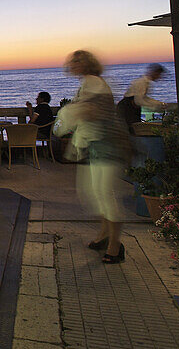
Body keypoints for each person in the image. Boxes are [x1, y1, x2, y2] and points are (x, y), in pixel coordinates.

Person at [54, 50, 131, 264]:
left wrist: (67, 117)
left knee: (105, 195)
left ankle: (115, 245)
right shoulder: (88, 83)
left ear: (87, 64)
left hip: (108, 146)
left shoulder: (94, 82)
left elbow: (92, 111)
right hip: (98, 146)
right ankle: (105, 236)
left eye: (78, 60)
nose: (74, 64)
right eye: (73, 60)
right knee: (95, 193)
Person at [118, 64, 167, 132]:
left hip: (131, 107)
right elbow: (139, 101)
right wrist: (155, 106)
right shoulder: (142, 83)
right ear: (155, 73)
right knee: (133, 130)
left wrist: (158, 103)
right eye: (159, 75)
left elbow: (144, 98)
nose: (160, 77)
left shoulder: (145, 82)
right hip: (128, 108)